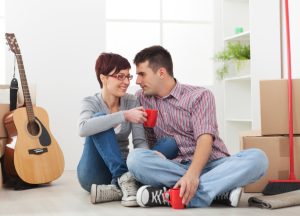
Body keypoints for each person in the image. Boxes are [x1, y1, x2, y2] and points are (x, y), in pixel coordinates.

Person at [127, 45, 269, 208]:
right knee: (135, 159)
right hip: (174, 166)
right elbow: (148, 142)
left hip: (213, 165)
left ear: (161, 72)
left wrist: (193, 175)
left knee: (258, 159)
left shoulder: (200, 96)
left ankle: (173, 195)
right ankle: (217, 190)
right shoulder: (142, 99)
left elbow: (205, 140)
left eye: (142, 74)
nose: (137, 81)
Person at [77, 52, 178, 207]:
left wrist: (147, 157)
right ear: (103, 77)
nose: (126, 82)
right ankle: (124, 178)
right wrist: (123, 115)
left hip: (126, 165)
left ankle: (118, 187)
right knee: (99, 118)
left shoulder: (131, 101)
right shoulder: (91, 102)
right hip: (94, 171)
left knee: (169, 144)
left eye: (128, 76)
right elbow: (83, 129)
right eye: (119, 76)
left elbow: (139, 142)